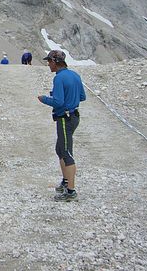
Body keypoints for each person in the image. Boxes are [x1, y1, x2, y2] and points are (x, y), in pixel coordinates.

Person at [37, 50, 86, 202]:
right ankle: (66, 182)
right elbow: (82, 96)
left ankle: (70, 191)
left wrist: (44, 99)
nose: (48, 65)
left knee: (65, 152)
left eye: (49, 62)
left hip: (64, 118)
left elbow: (58, 102)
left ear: (55, 62)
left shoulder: (59, 79)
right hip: (74, 116)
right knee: (60, 148)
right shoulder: (74, 75)